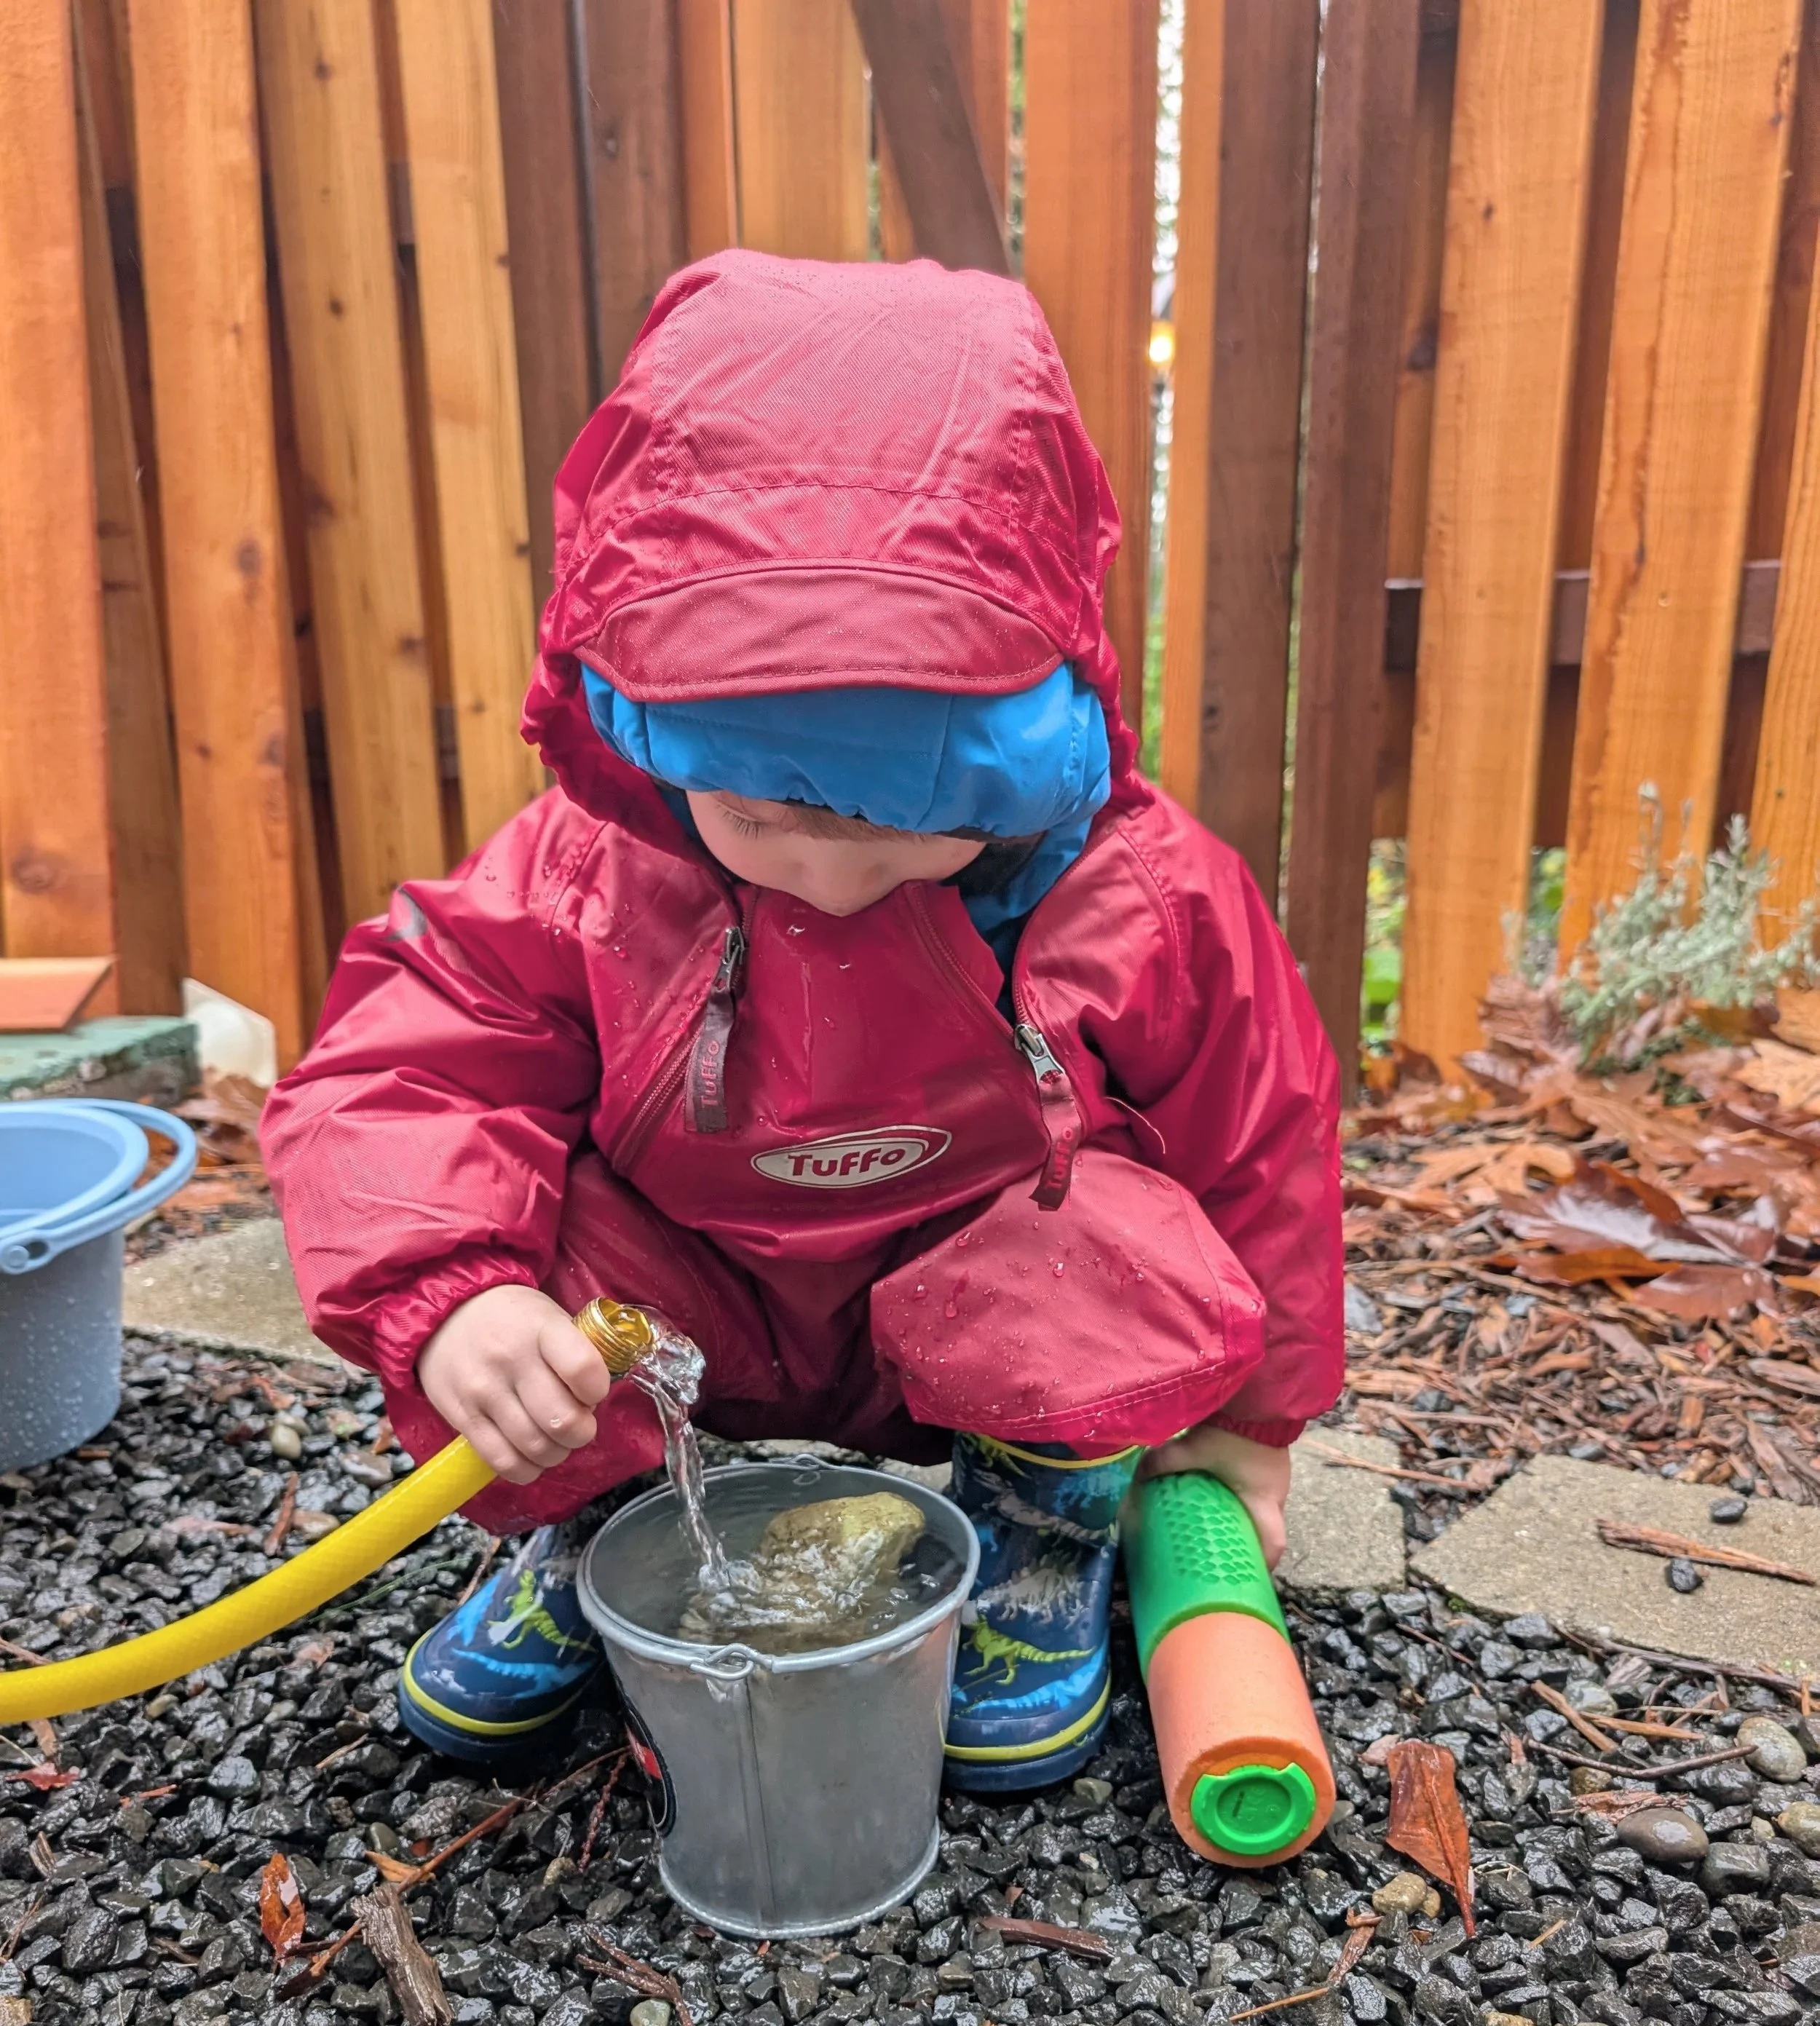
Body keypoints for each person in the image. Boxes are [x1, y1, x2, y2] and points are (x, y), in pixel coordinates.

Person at [263, 250, 1343, 1784]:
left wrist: (1250, 1424)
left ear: (1023, 752)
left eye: (912, 824)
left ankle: (1038, 1533)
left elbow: (1262, 1143)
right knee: (523, 1299)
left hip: (974, 1289)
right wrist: (452, 1294)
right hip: (695, 1303)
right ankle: (599, 1536)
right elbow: (400, 1063)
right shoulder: (590, 871)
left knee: (1115, 1231)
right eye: (767, 818)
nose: (831, 880)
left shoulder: (1137, 892)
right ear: (651, 733)